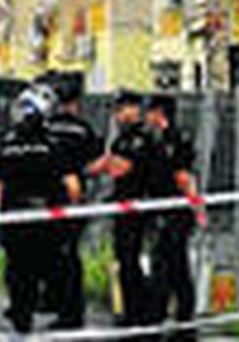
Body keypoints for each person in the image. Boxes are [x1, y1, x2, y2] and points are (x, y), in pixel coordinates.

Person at [0, 85, 74, 334]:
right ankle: (60, 312)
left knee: (18, 269)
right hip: (47, 217)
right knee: (51, 265)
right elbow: (72, 185)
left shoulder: (8, 146)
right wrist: (70, 212)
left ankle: (21, 315)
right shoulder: (53, 145)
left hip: (15, 217)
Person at [41, 73, 101, 329]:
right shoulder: (83, 130)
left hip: (48, 198)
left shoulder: (46, 128)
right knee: (70, 256)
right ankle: (72, 311)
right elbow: (94, 164)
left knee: (51, 253)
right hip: (74, 198)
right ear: (76, 104)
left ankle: (53, 300)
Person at [89, 90, 153, 327]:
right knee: (125, 260)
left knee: (137, 261)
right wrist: (103, 164)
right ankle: (129, 310)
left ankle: (142, 312)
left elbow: (120, 168)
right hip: (123, 208)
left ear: (134, 109)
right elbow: (102, 165)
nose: (117, 115)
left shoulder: (142, 137)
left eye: (121, 109)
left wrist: (107, 163)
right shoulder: (121, 139)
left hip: (142, 207)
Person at [145, 94, 203, 340]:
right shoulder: (158, 139)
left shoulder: (176, 139)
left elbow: (184, 178)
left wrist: (197, 208)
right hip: (164, 211)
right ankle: (180, 324)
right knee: (174, 268)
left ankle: (173, 324)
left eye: (150, 112)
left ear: (160, 113)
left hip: (175, 213)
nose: (147, 117)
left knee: (168, 268)